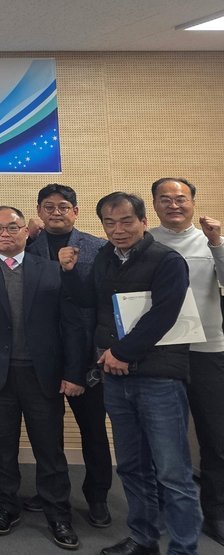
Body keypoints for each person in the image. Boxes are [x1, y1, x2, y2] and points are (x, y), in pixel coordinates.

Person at [62, 192, 200, 555]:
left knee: (172, 472)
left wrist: (122, 352)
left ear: (143, 221)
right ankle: (143, 539)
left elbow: (165, 314)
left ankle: (184, 548)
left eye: (126, 221)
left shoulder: (167, 259)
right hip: (116, 376)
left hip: (159, 377)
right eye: (109, 223)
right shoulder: (105, 257)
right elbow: (91, 301)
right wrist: (70, 273)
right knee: (131, 466)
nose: (118, 230)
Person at [0, 206, 84, 550]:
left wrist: (74, 372)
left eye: (12, 227)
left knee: (49, 447)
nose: (4, 234)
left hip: (42, 373)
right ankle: (6, 507)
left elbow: (71, 324)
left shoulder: (51, 269)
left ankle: (58, 514)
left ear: (26, 231)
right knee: (0, 447)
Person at [21, 184, 112, 527]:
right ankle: (50, 492)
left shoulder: (97, 247)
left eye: (63, 207)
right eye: (48, 207)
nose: (56, 212)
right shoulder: (28, 247)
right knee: (47, 432)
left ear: (75, 211)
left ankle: (98, 496)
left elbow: (102, 303)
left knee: (93, 431)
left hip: (86, 356)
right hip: (41, 355)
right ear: (39, 211)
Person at [148, 177, 224, 546]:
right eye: (165, 199)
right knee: (163, 439)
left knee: (216, 438)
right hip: (161, 352)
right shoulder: (146, 241)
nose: (173, 205)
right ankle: (165, 511)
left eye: (180, 198)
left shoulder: (212, 241)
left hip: (208, 350)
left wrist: (217, 244)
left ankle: (216, 513)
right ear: (154, 205)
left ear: (193, 201)